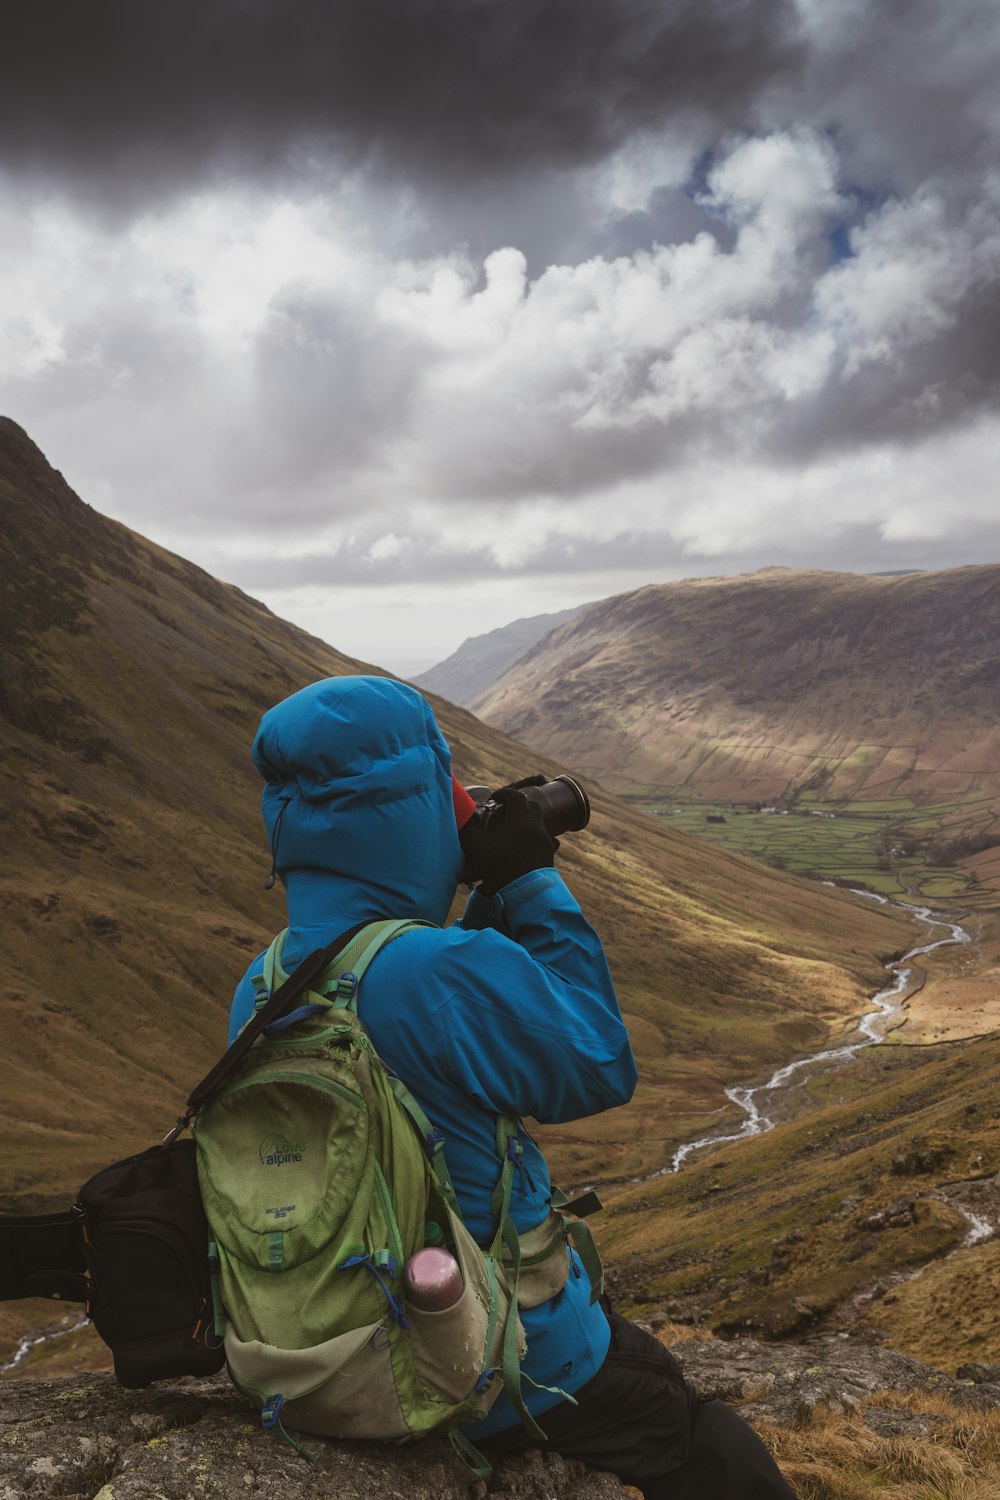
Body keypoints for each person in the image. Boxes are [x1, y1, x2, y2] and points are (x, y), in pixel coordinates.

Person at [228, 675, 796, 1500]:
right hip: (494, 1362)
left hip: (323, 1350)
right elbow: (596, 1062)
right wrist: (529, 878)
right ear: (418, 807)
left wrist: (479, 905)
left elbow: (428, 1022)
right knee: (699, 1433)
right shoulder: (438, 973)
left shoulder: (266, 979)